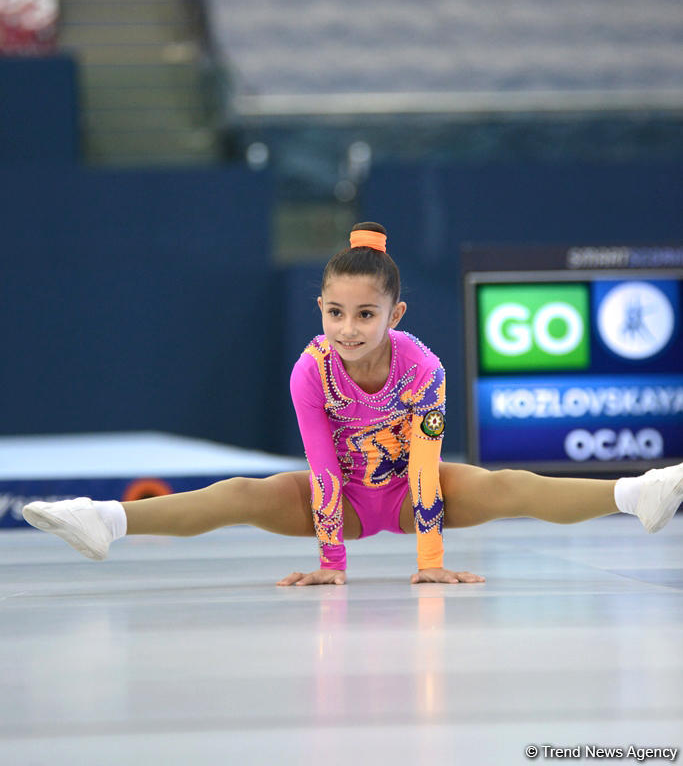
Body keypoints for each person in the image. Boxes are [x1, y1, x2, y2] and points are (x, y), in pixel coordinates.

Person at [22, 222, 683, 586]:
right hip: (334, 500)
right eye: (335, 312)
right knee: (242, 494)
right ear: (320, 307)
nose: (348, 328)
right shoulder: (310, 373)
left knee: (504, 483)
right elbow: (321, 472)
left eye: (365, 314)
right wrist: (331, 563)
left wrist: (430, 563)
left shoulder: (422, 367)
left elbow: (425, 470)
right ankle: (103, 519)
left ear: (394, 312)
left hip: (407, 492)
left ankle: (636, 494)